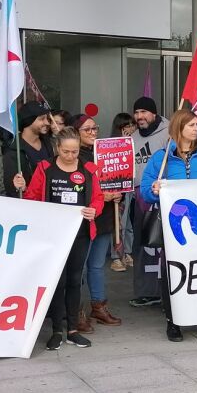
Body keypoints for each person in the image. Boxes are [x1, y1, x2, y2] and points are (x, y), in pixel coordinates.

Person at [16, 128, 103, 349]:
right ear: (57, 148)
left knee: (74, 280)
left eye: (75, 152)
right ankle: (56, 329)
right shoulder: (45, 168)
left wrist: (94, 209)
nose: (71, 156)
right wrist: (21, 187)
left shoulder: (88, 169)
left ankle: (72, 329)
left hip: (80, 233)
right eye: (66, 151)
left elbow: (98, 198)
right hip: (52, 234)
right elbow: (32, 197)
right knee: (57, 281)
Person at [140, 108, 197, 340]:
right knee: (173, 273)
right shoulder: (161, 158)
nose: (196, 129)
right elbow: (145, 190)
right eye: (191, 125)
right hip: (174, 228)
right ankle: (173, 321)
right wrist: (154, 190)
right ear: (179, 128)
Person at [74, 114, 123, 329]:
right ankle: (76, 310)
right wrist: (103, 196)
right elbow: (75, 189)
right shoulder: (73, 155)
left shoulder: (104, 152)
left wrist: (118, 193)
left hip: (104, 218)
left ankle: (98, 305)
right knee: (79, 267)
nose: (93, 132)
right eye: (87, 129)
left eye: (95, 128)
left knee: (97, 265)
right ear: (76, 132)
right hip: (84, 218)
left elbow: (118, 177)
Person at [129, 97, 170, 307]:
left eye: (144, 112)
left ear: (154, 113)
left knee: (166, 247)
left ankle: (169, 292)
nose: (139, 117)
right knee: (144, 245)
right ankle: (147, 292)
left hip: (166, 199)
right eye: (137, 112)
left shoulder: (169, 133)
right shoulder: (132, 137)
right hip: (140, 200)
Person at [2, 101, 53, 196]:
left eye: (47, 118)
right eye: (41, 119)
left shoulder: (49, 144)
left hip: (47, 200)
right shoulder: (14, 150)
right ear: (28, 121)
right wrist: (23, 189)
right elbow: (11, 188)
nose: (47, 122)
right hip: (27, 201)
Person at [109, 112, 136, 273]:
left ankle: (127, 252)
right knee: (119, 223)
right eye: (127, 126)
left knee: (128, 224)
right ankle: (116, 256)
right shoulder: (111, 144)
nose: (131, 128)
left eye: (132, 125)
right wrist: (123, 143)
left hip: (130, 186)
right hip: (116, 187)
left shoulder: (136, 140)